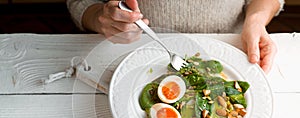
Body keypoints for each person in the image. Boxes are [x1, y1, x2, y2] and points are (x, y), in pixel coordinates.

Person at [66, 0, 284, 73]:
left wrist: (255, 20)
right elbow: (79, 2)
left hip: (232, 49)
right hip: (135, 53)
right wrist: (101, 18)